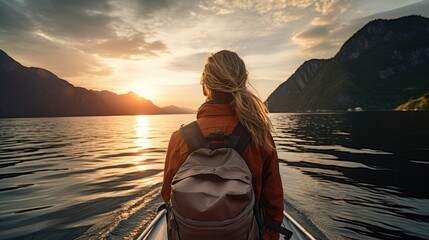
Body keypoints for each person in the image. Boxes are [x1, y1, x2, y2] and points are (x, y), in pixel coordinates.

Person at [161, 50, 284, 240]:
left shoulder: (179, 138)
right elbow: (273, 204)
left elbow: (167, 194)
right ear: (242, 84)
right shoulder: (259, 136)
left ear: (205, 87)